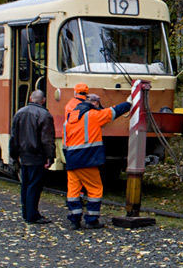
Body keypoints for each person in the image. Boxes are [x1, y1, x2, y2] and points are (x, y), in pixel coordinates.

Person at [62, 83, 130, 230]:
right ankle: (91, 220)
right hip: (87, 159)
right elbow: (112, 112)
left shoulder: (69, 118)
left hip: (72, 160)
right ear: (93, 103)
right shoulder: (92, 116)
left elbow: (64, 142)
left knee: (73, 191)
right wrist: (129, 103)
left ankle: (74, 220)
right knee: (95, 189)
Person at [9, 90, 56, 224]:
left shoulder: (19, 113)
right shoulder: (45, 115)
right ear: (44, 100)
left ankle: (26, 213)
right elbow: (47, 139)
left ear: (30, 98)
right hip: (37, 156)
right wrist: (50, 156)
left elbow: (14, 136)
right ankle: (32, 215)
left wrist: (14, 154)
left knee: (26, 185)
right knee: (34, 186)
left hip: (24, 155)